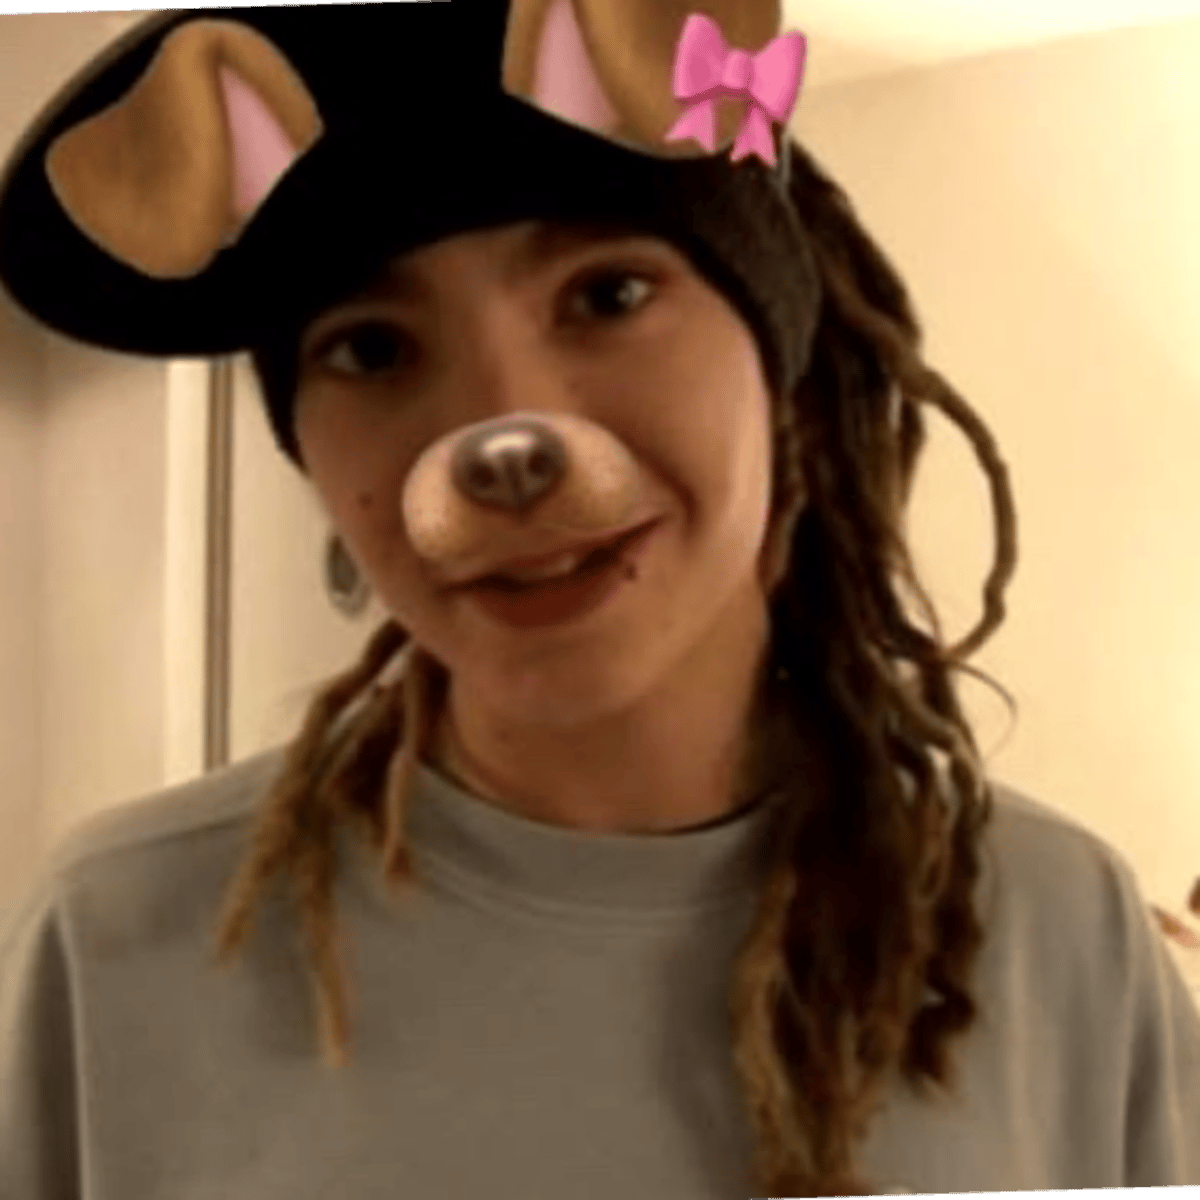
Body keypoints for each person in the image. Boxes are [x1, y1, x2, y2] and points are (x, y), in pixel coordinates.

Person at [0, 4, 1196, 1197]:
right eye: (372, 349)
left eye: (610, 295)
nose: (502, 436)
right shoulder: (115, 946)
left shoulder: (1062, 936)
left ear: (779, 363)